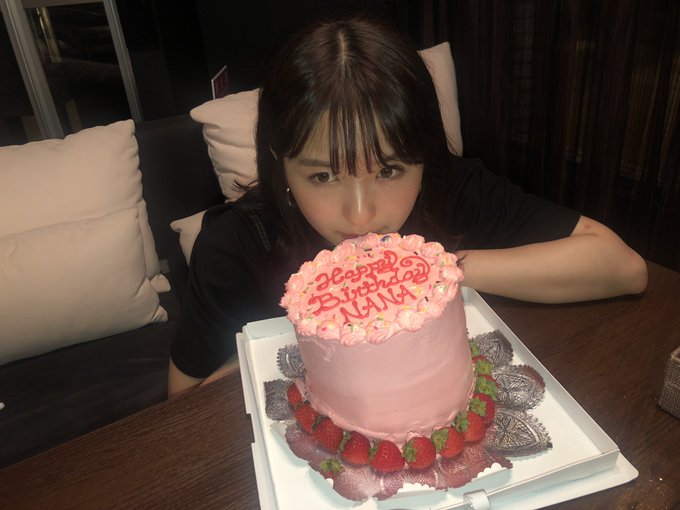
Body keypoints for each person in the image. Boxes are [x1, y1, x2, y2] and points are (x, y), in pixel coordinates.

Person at [168, 15, 647, 397]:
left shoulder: (451, 189)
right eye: (322, 176)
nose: (361, 216)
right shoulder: (235, 244)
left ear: (423, 156)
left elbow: (624, 267)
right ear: (280, 164)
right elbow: (183, 401)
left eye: (389, 170)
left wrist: (432, 274)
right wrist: (321, 326)